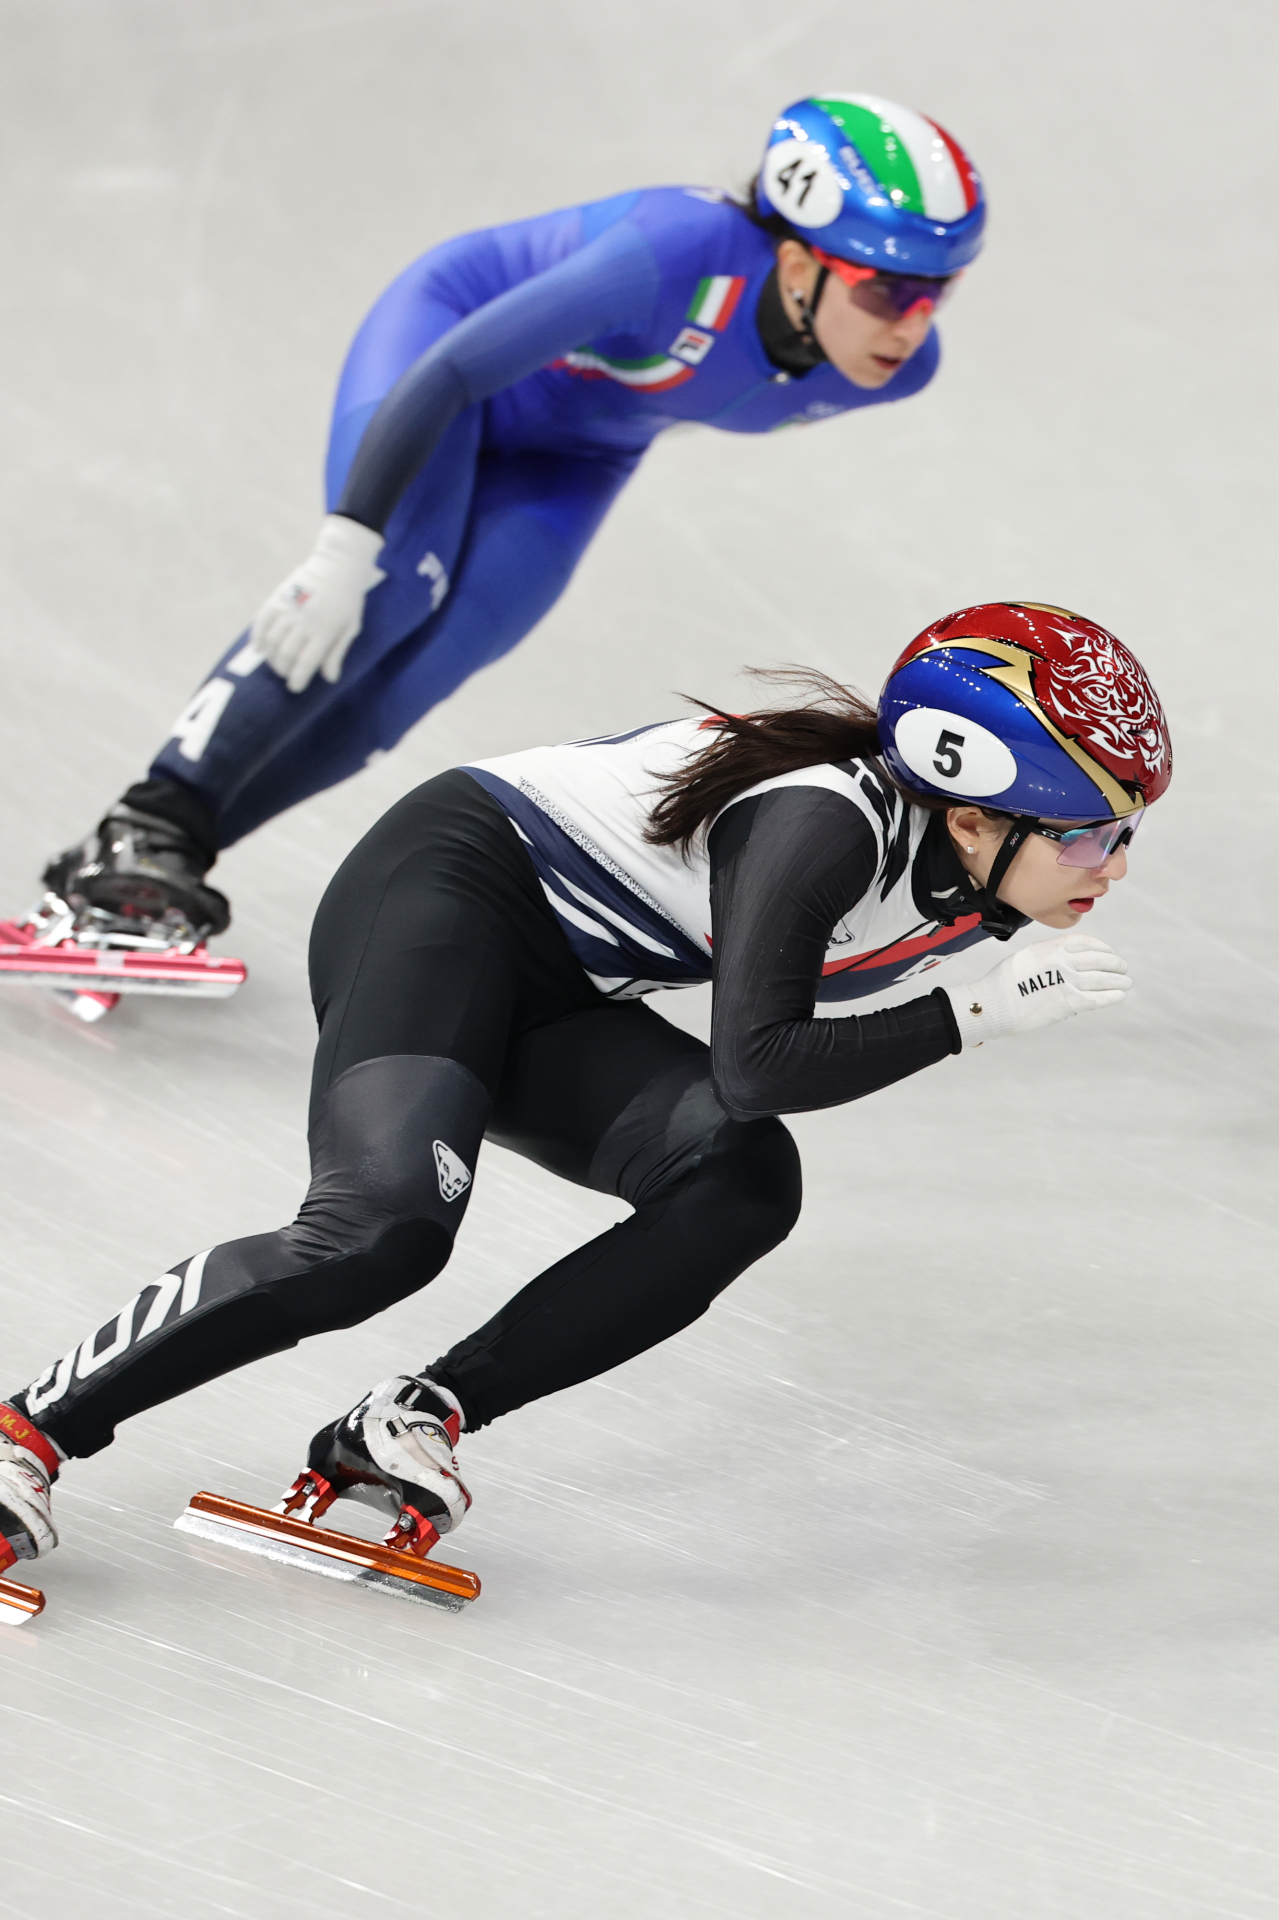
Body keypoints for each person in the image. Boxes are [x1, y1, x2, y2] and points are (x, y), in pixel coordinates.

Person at [0, 601, 1172, 1575]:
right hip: (445, 901)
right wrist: (970, 1018)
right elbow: (756, 1061)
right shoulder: (823, 825)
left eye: (1124, 834)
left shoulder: (978, 884)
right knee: (379, 1233)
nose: (1112, 868)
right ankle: (28, 1431)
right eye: (1087, 837)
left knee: (741, 1181)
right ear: (967, 817)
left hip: (561, 982)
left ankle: (414, 1417)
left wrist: (974, 994)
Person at [36, 92, 985, 944]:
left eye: (936, 292)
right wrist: (347, 542)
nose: (913, 324)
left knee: (409, 683)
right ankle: (147, 820)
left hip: (576, 454)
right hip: (448, 363)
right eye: (887, 290)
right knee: (385, 598)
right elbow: (453, 369)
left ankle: (163, 859)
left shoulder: (891, 372)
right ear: (795, 264)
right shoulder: (676, 251)